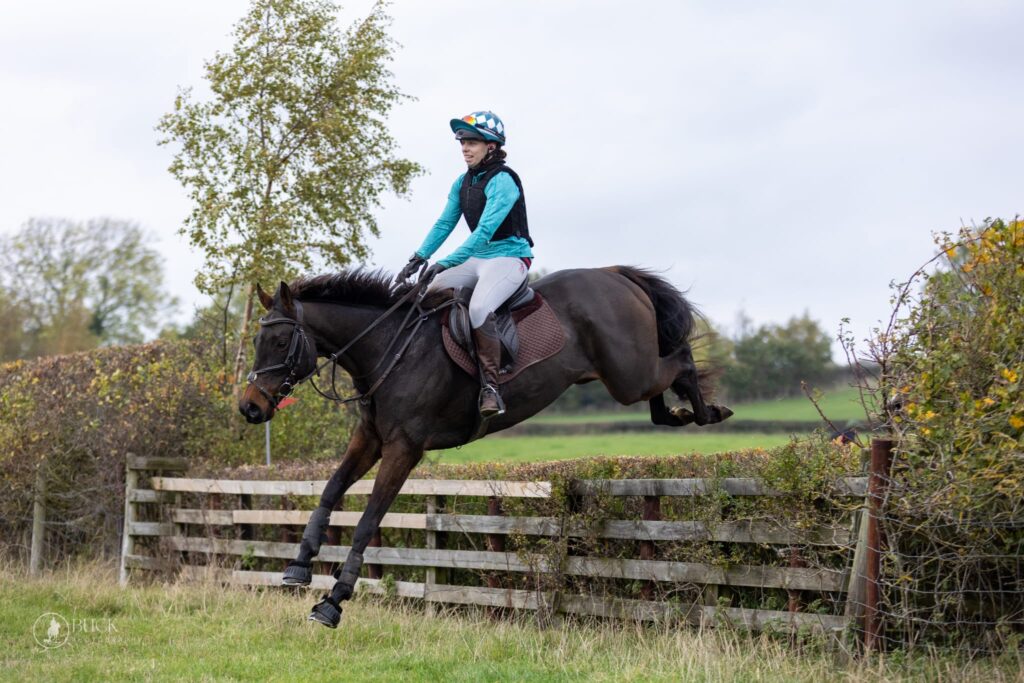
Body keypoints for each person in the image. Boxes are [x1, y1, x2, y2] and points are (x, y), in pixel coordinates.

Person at [396, 111, 534, 418]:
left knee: (479, 308)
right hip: (479, 259)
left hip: (510, 258)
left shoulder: (504, 181)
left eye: (472, 143)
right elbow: (445, 223)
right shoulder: (463, 182)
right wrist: (419, 257)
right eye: (462, 143)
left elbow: (484, 232)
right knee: (429, 291)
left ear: (491, 147)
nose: (465, 149)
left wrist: (446, 261)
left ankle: (491, 388)